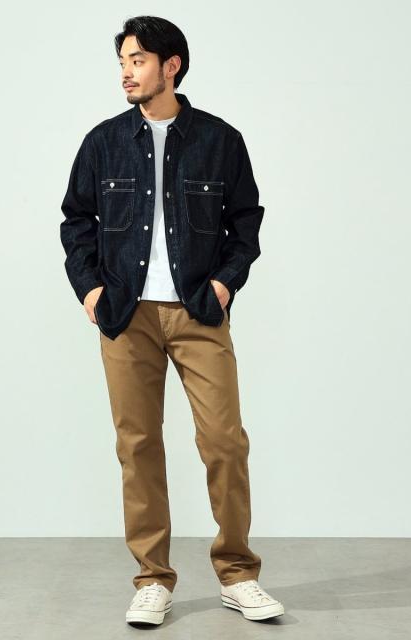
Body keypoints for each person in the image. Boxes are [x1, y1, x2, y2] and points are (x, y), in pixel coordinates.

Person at [59, 15, 284, 626]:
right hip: (125, 314)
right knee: (138, 446)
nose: (126, 73)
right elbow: (76, 221)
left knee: (224, 441)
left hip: (198, 311)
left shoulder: (219, 140)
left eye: (137, 61)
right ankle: (153, 578)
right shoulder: (104, 142)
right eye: (122, 63)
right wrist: (91, 290)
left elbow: (246, 221)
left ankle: (238, 573)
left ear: (171, 66)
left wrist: (224, 283)